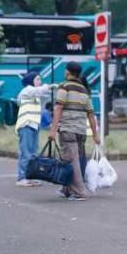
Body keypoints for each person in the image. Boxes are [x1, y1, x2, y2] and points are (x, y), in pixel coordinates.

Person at [49, 62, 100, 201]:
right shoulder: (84, 90)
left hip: (68, 129)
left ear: (67, 72)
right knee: (66, 159)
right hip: (81, 131)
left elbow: (58, 108)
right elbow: (90, 113)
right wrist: (95, 135)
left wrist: (53, 130)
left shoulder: (64, 87)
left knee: (72, 161)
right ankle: (66, 189)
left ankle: (79, 192)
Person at [15, 72, 57, 187]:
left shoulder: (34, 95)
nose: (40, 82)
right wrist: (49, 86)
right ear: (31, 81)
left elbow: (43, 93)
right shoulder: (27, 90)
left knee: (33, 153)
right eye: (38, 79)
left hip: (34, 125)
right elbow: (39, 90)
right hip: (26, 125)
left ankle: (30, 177)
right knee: (26, 152)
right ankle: (22, 177)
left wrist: (50, 88)